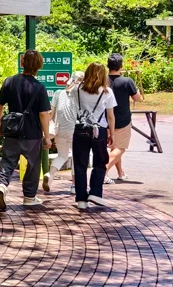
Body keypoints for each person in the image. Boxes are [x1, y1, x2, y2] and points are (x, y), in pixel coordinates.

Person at [0, 50, 53, 210]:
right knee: (33, 166)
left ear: (22, 63)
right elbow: (43, 114)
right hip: (32, 135)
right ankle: (29, 197)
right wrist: (47, 136)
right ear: (39, 66)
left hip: (12, 132)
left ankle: (2, 186)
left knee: (7, 162)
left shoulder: (10, 81)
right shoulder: (39, 87)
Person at [71, 62, 117, 210]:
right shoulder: (107, 92)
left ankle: (81, 200)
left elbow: (68, 90)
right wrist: (112, 134)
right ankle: (95, 193)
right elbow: (110, 116)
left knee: (80, 164)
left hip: (80, 129)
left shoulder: (77, 89)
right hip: (100, 130)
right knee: (100, 162)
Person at [106, 53, 143, 182]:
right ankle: (103, 171)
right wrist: (136, 90)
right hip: (123, 119)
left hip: (105, 119)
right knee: (120, 148)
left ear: (108, 65)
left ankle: (120, 173)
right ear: (121, 66)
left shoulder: (102, 80)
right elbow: (137, 98)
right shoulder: (127, 81)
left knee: (114, 146)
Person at [48, 71, 84, 177]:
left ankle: (50, 175)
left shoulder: (58, 93)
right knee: (76, 157)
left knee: (62, 156)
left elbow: (51, 113)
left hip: (60, 131)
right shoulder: (81, 95)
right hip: (76, 130)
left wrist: (46, 129)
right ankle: (74, 185)